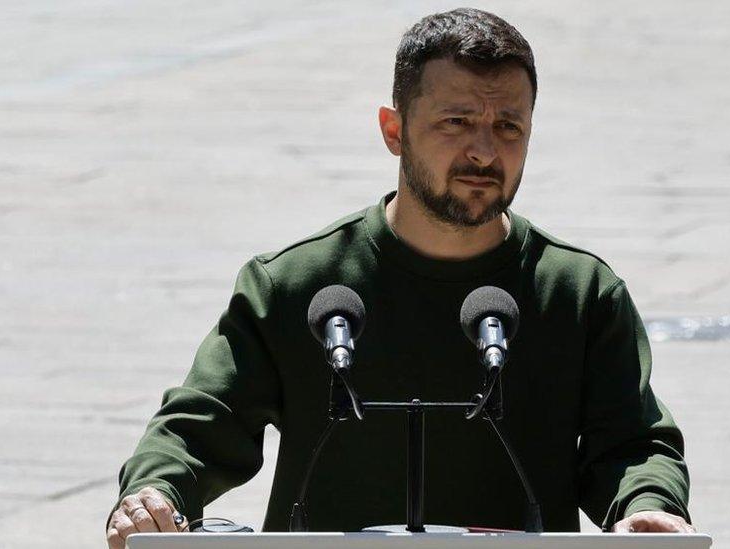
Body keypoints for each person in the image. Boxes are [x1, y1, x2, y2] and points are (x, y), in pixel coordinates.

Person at [106, 8, 694, 548]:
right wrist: (154, 493)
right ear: (393, 130)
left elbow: (633, 441)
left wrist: (647, 503)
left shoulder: (578, 292)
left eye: (509, 127)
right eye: (456, 121)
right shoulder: (296, 284)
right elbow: (202, 422)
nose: (484, 152)